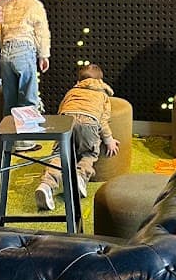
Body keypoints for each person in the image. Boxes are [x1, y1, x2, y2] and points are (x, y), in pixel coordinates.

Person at [35, 63, 119, 212]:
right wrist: (109, 139)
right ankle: (80, 177)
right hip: (89, 122)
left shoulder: (72, 92)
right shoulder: (102, 95)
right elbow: (103, 120)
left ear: (79, 81)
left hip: (67, 121)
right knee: (89, 153)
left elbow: (61, 110)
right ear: (101, 81)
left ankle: (47, 185)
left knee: (60, 154)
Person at [0, 0, 51, 152]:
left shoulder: (6, 6)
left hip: (5, 53)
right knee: (28, 96)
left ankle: (7, 140)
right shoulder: (34, 5)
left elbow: (2, 32)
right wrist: (43, 55)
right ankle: (25, 141)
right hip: (24, 50)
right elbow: (42, 32)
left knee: (9, 98)